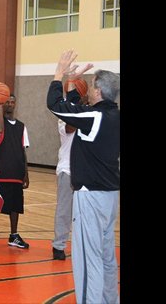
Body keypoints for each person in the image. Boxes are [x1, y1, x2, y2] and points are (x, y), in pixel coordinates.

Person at [47, 50, 119, 304]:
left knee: (88, 259)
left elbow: (57, 105)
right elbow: (78, 108)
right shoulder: (114, 117)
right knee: (106, 255)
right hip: (110, 196)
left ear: (98, 92)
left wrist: (59, 74)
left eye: (91, 89)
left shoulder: (94, 117)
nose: (88, 92)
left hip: (91, 196)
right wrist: (72, 82)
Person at [0, 94, 30, 252]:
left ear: (15, 104)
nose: (10, 104)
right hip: (0, 171)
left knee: (15, 206)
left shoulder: (22, 126)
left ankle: (13, 235)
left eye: (12, 102)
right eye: (7, 102)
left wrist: (26, 173)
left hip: (16, 171)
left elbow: (23, 150)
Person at [52, 79, 88, 261]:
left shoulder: (89, 113)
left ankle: (82, 245)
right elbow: (70, 127)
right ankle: (58, 245)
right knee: (65, 210)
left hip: (87, 172)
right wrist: (79, 106)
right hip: (67, 170)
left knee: (84, 212)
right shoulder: (64, 115)